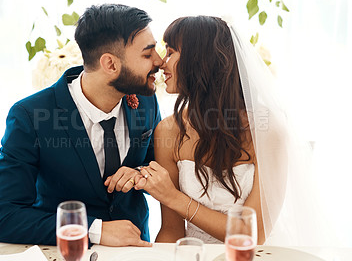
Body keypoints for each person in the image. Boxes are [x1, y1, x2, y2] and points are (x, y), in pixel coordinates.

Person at [106, 15, 320, 245]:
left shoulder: (268, 131)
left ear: (198, 61)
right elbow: (171, 231)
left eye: (170, 52)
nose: (162, 63)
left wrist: (174, 198)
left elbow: (254, 234)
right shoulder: (168, 130)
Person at [0, 4, 163, 246]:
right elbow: (4, 216)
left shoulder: (145, 100)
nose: (160, 60)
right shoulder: (30, 116)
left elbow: (159, 165)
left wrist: (141, 173)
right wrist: (95, 230)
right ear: (110, 64)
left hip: (136, 250)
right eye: (147, 54)